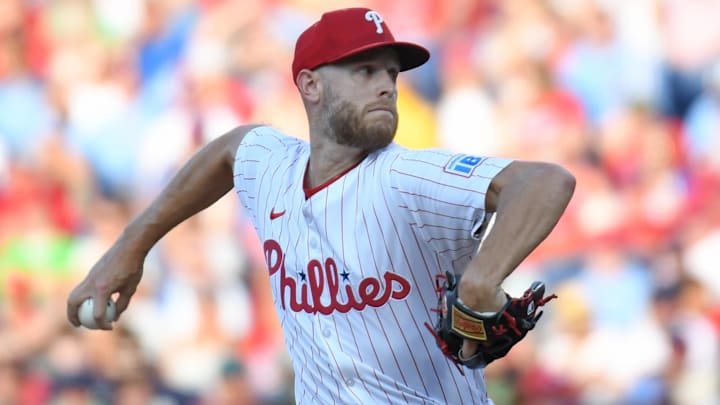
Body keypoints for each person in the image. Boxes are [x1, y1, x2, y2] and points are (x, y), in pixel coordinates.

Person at [66, 7, 576, 404]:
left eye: (392, 74)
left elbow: (545, 182)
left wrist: (483, 277)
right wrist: (130, 248)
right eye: (363, 70)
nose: (385, 85)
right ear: (310, 84)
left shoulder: (406, 175)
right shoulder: (273, 169)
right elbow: (228, 151)